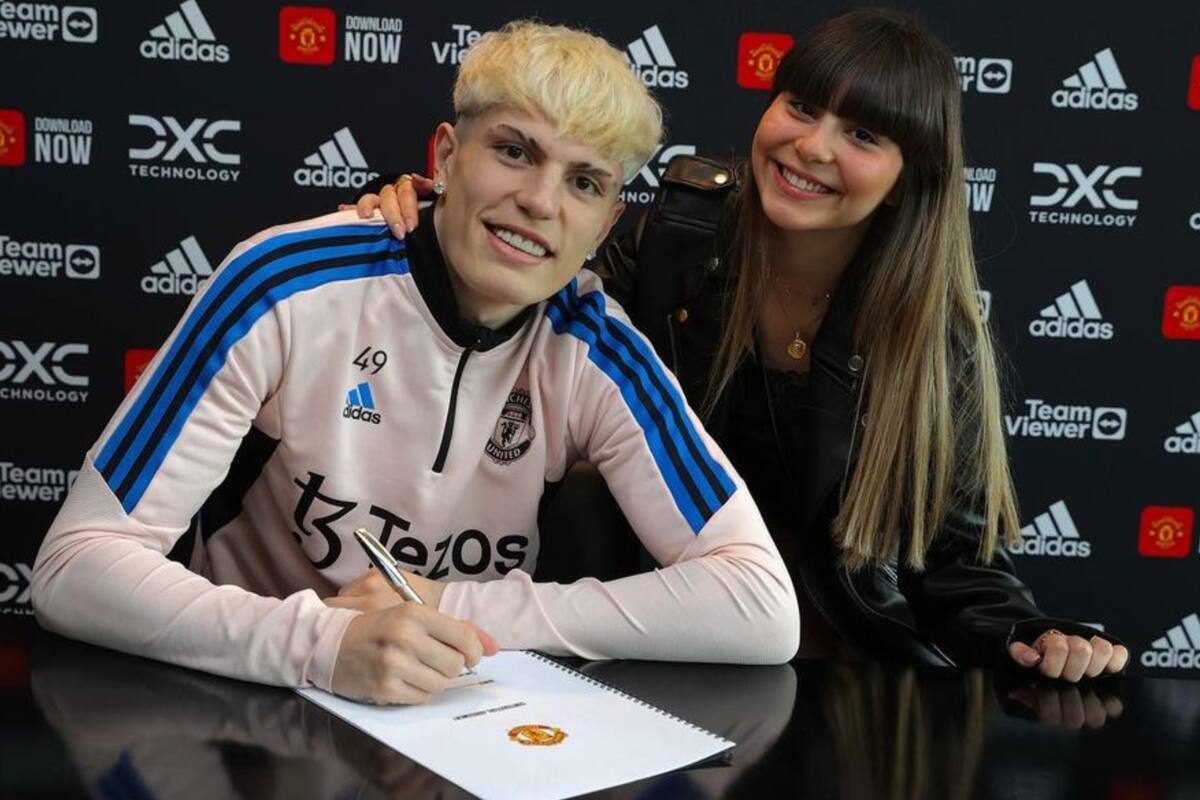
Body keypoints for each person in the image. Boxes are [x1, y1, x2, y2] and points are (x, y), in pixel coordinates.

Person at [31, 21, 800, 706]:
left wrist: (445, 605)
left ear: (604, 224)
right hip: (250, 706)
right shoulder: (283, 281)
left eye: (584, 182)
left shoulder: (596, 345)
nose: (539, 201)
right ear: (445, 155)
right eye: (512, 151)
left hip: (457, 715)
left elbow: (760, 606)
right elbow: (76, 566)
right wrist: (320, 646)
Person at [358, 8, 1127, 681]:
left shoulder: (935, 339)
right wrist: (437, 213)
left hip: (835, 667)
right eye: (799, 106)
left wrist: (1032, 637)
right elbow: (527, 307)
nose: (812, 146)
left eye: (861, 133)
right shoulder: (684, 234)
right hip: (648, 640)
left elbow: (958, 564)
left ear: (906, 177)